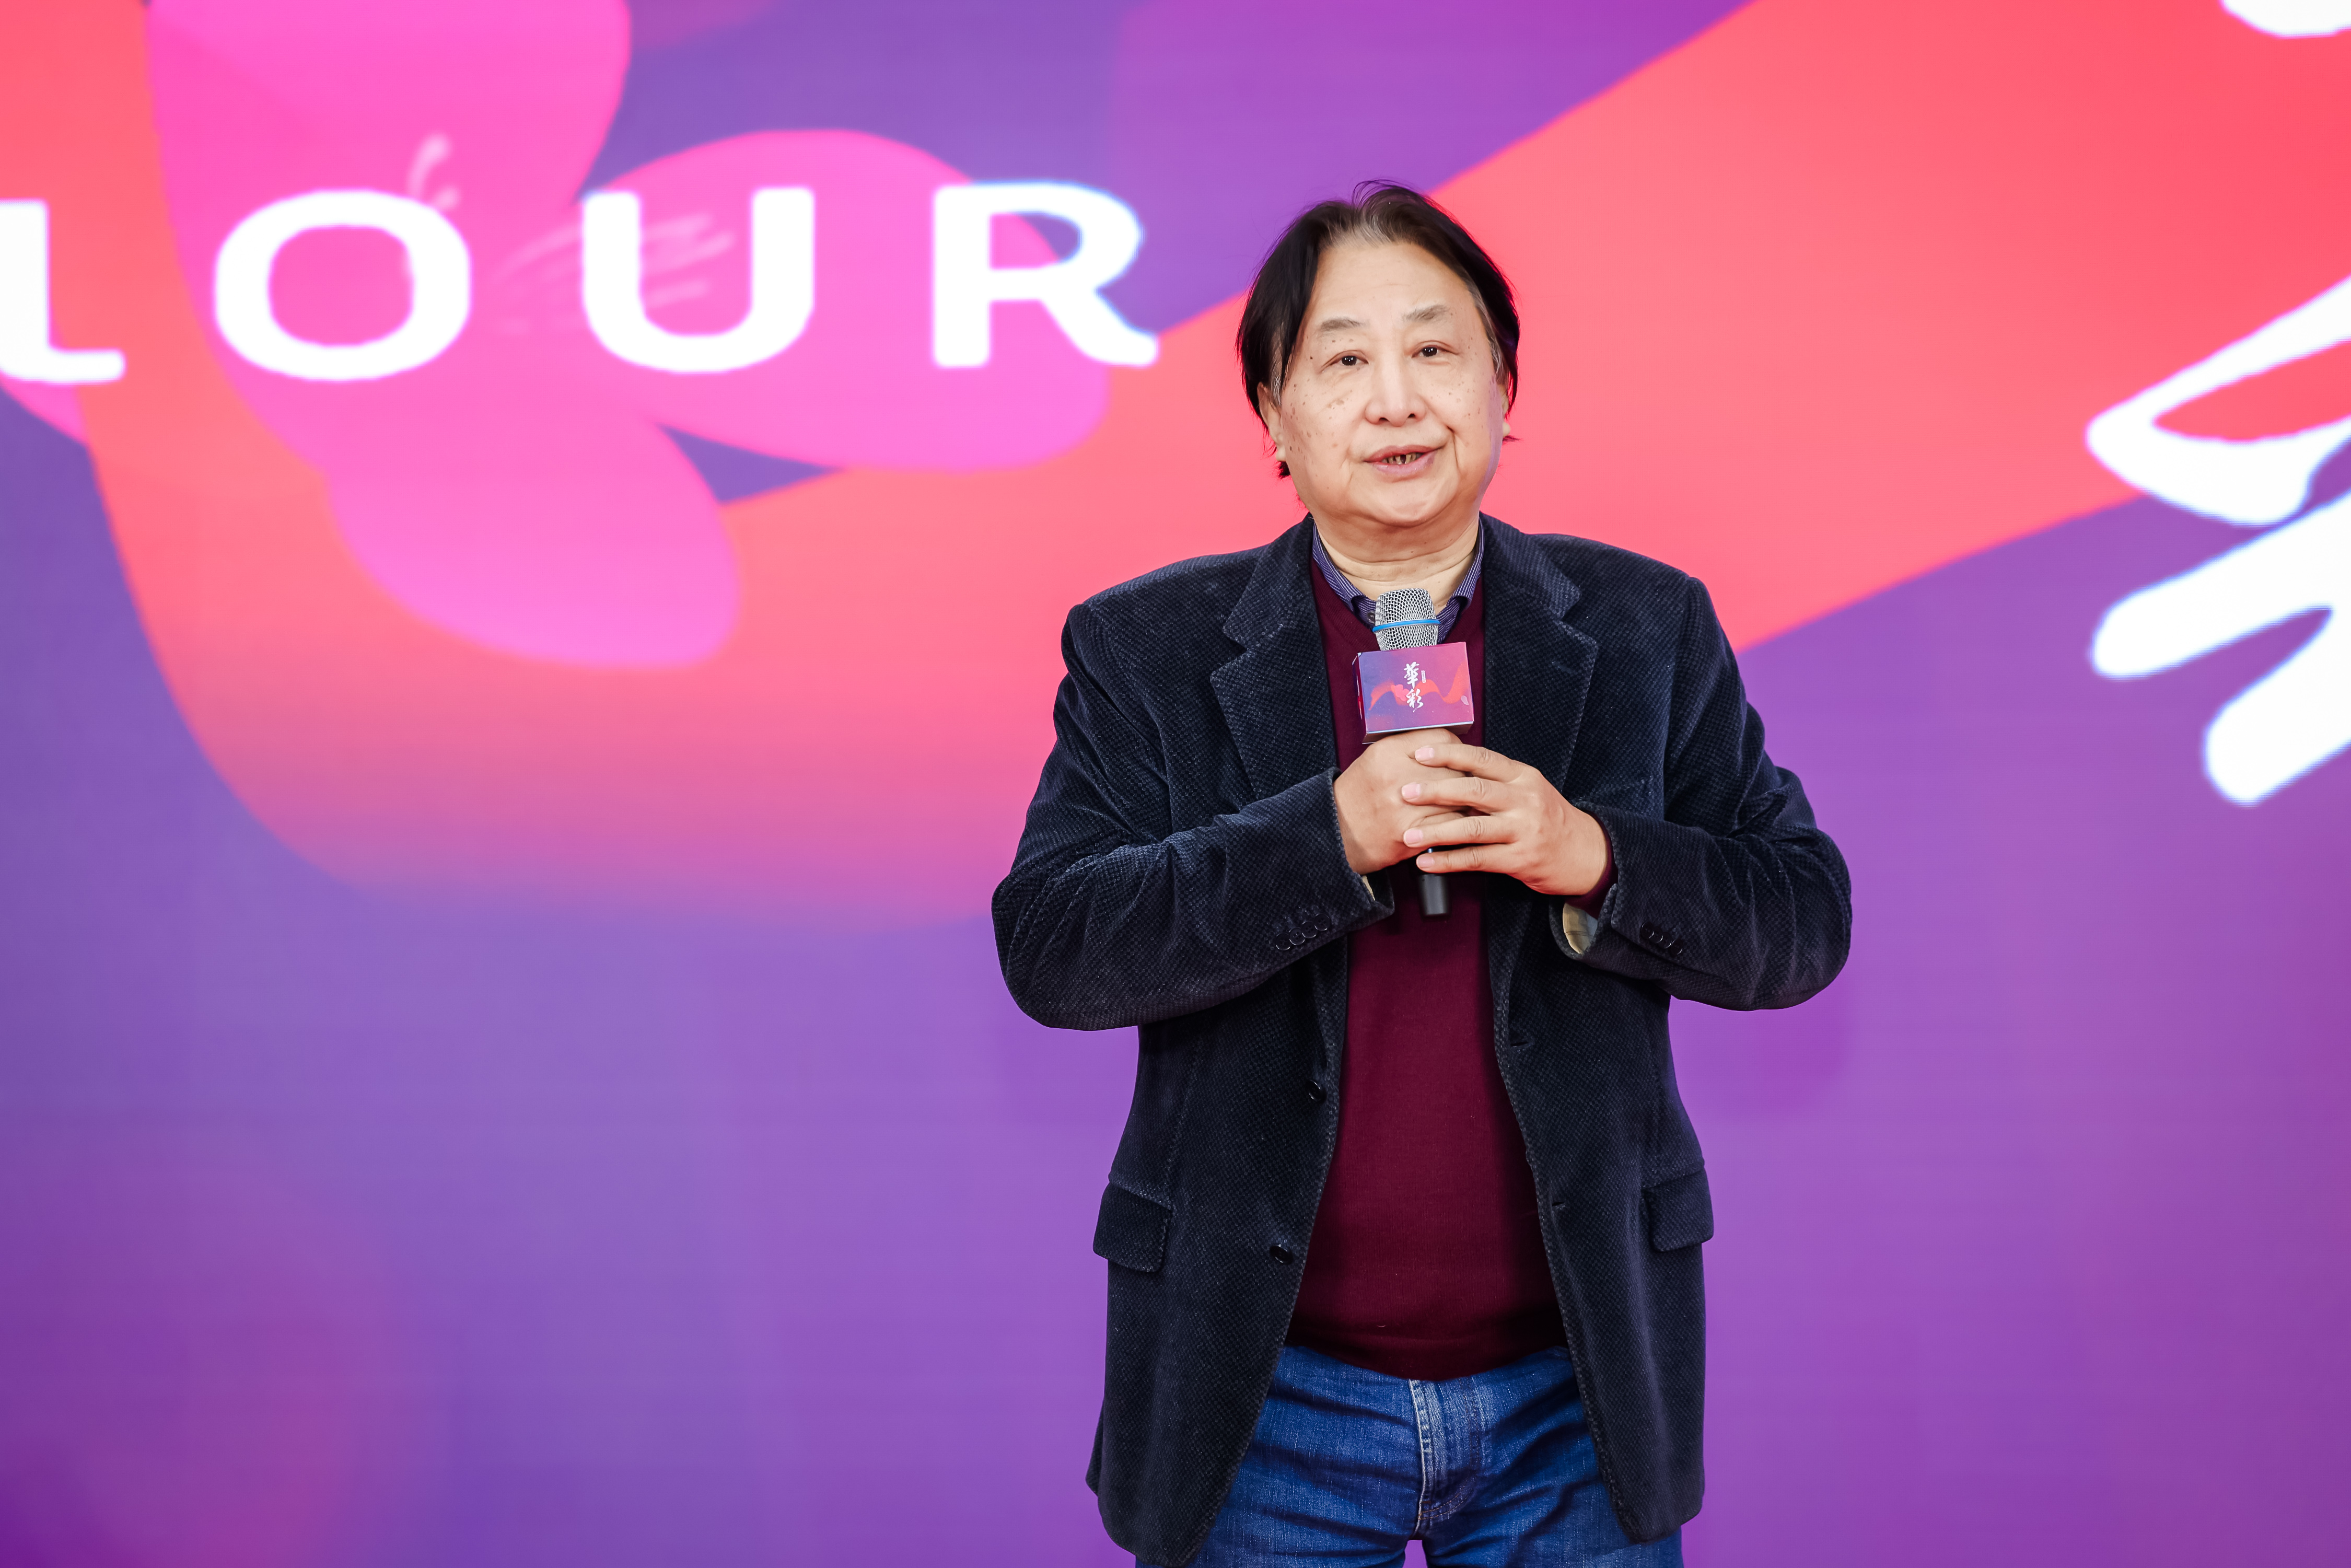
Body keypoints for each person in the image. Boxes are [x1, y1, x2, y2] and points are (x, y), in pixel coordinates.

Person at [992, 183, 1850, 1568]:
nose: (1397, 399)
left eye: (1435, 350)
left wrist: (1591, 854)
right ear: (1273, 417)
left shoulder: (1646, 626)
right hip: (1261, 1396)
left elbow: (1800, 918)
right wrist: (1321, 839)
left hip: (1574, 1395)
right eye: (1342, 360)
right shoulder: (1146, 648)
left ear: (1505, 386)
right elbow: (1056, 945)